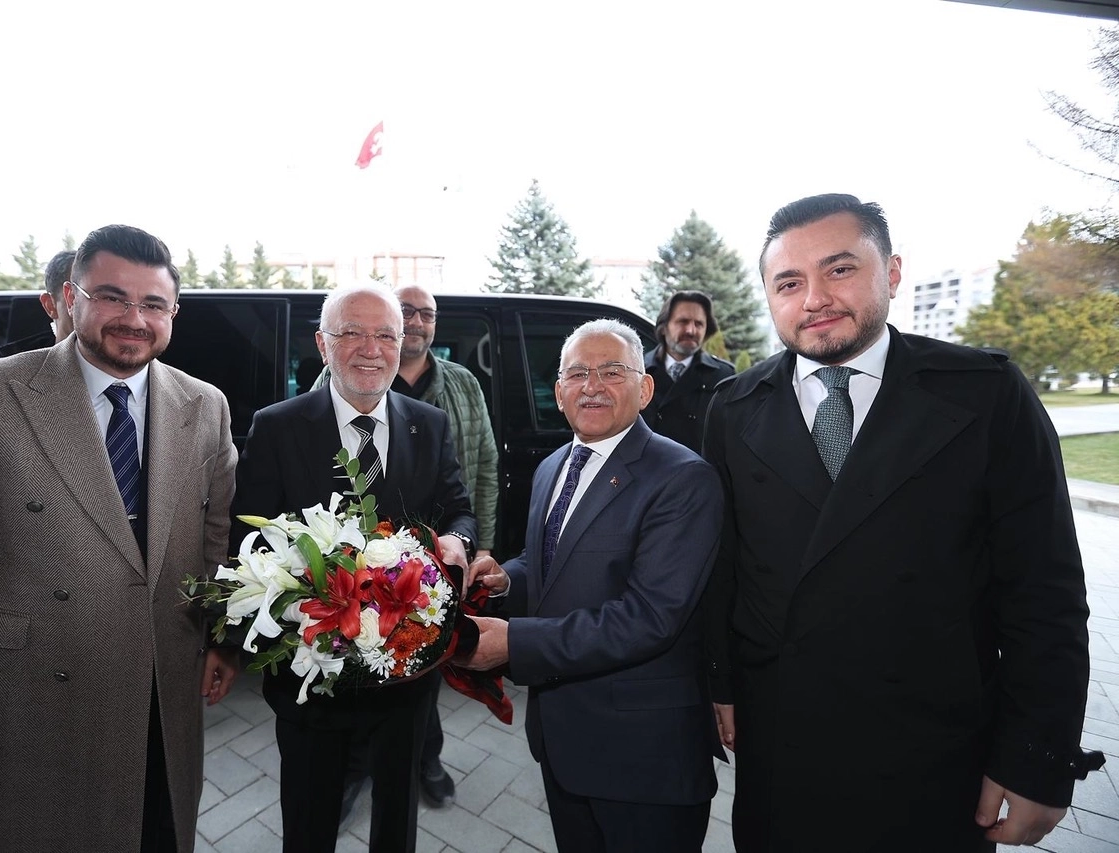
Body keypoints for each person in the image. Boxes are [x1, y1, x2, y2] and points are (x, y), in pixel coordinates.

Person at [702, 193, 1100, 852]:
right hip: (784, 746)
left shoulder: (985, 393)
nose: (815, 298)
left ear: (891, 272)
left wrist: (1038, 758)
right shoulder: (733, 408)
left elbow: (1045, 592)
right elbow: (724, 569)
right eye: (789, 282)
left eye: (839, 269)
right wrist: (720, 683)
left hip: (934, 755)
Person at [0, 224, 240, 853]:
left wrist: (220, 639)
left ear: (173, 313)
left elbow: (216, 540)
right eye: (111, 296)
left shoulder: (205, 405)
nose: (134, 319)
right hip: (21, 702)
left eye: (153, 304)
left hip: (161, 695)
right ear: (70, 297)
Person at [231, 283, 477, 853]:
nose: (372, 349)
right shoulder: (278, 426)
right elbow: (248, 542)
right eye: (352, 333)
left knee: (397, 823)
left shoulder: (429, 424)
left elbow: (459, 508)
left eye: (386, 335)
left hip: (405, 674)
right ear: (323, 344)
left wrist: (458, 541)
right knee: (309, 822)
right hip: (310, 674)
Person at [463, 318, 725, 852]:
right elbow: (550, 561)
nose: (592, 386)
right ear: (559, 391)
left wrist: (513, 642)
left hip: (644, 758)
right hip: (563, 744)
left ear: (645, 388)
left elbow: (650, 618)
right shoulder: (552, 466)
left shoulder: (683, 478)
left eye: (611, 371)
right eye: (577, 373)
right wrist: (507, 579)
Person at [315, 283, 499, 810]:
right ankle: (354, 769)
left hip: (427, 575)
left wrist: (474, 546)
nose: (417, 322)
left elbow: (483, 469)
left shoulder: (461, 386)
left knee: (420, 677)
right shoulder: (344, 377)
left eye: (426, 314)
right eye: (407, 311)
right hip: (347, 574)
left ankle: (424, 760)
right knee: (351, 672)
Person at [640, 290, 735, 453]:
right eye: (683, 322)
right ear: (663, 328)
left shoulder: (723, 375)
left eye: (699, 324)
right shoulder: (638, 370)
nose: (691, 330)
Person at [0, 249, 77, 357]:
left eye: (94, 295)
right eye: (77, 296)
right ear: (50, 305)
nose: (91, 307)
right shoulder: (14, 366)